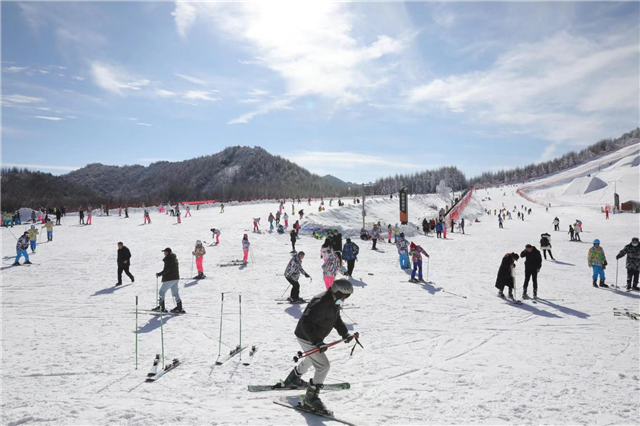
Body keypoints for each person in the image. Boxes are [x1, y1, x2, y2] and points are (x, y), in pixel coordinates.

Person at [277, 280, 357, 413]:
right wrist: (317, 341)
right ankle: (311, 398)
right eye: (344, 295)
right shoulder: (320, 302)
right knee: (323, 365)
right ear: (337, 292)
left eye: (347, 296)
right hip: (307, 336)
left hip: (315, 337)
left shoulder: (334, 301)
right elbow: (305, 323)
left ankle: (293, 379)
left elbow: (336, 318)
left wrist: (344, 333)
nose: (345, 299)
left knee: (312, 358)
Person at [153, 248, 184, 313]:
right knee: (175, 293)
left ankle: (162, 307)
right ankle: (179, 307)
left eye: (165, 252)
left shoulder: (169, 259)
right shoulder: (173, 258)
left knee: (161, 292)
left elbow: (167, 269)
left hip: (170, 278)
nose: (164, 253)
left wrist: (159, 274)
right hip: (175, 278)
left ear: (167, 252)